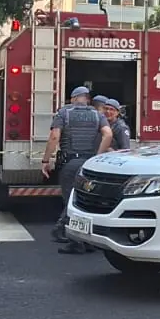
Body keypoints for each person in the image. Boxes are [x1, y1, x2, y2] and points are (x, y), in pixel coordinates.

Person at [43, 86, 112, 254]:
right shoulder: (97, 114)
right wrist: (98, 156)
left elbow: (54, 137)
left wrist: (46, 160)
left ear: (73, 99)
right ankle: (89, 241)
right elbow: (108, 134)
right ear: (87, 99)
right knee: (86, 201)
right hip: (88, 163)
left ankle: (76, 242)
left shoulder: (64, 114)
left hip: (71, 163)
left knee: (71, 202)